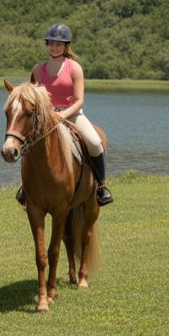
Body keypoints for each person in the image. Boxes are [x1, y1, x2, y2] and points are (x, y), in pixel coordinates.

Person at [18, 23, 113, 207]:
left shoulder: (74, 68)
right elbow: (33, 99)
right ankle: (26, 187)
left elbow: (79, 100)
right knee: (27, 145)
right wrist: (47, 115)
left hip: (72, 115)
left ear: (66, 46)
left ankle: (101, 187)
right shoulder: (38, 70)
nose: (54, 47)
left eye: (58, 44)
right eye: (51, 43)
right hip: (46, 118)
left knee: (94, 143)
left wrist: (62, 115)